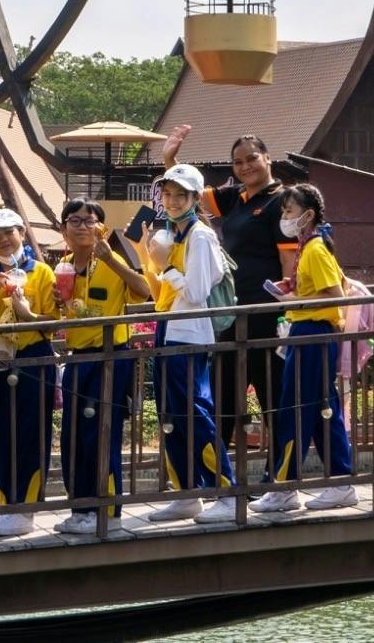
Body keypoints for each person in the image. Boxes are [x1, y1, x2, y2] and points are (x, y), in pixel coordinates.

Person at [159, 125, 288, 454]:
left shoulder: (281, 202)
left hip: (264, 311)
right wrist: (170, 157)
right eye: (238, 162)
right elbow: (186, 196)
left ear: (268, 158)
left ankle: (283, 481)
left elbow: (289, 262)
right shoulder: (237, 197)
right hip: (229, 312)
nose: (245, 166)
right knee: (224, 395)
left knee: (271, 394)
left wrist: (288, 308)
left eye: (252, 158)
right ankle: (222, 483)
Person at [48, 198, 152, 536]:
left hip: (111, 357)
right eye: (74, 220)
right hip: (78, 357)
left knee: (102, 434)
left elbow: (143, 291)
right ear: (63, 228)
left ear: (101, 228)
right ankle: (80, 507)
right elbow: (66, 315)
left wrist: (112, 260)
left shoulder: (111, 260)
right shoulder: (62, 267)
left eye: (89, 220)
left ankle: (107, 509)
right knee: (73, 436)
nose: (82, 226)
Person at [251, 185, 356, 515]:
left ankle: (285, 486)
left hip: (311, 332)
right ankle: (340, 481)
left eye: (289, 212)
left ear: (308, 215)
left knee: (295, 408)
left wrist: (295, 300)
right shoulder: (310, 247)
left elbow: (336, 293)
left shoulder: (314, 249)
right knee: (321, 409)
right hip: (308, 331)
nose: (285, 218)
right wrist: (293, 289)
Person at [142, 165, 237, 524]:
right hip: (170, 328)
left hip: (190, 333)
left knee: (194, 414)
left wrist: (165, 267)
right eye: (168, 194)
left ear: (196, 199)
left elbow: (197, 292)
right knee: (171, 415)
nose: (172, 201)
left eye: (181, 195)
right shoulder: (176, 233)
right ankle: (186, 492)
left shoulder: (199, 236)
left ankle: (224, 491)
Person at [0, 209, 58, 538]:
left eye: (8, 231)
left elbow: (52, 324)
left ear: (21, 231)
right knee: (2, 432)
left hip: (34, 355)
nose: (3, 239)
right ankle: (7, 505)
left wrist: (26, 313)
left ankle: (26, 508)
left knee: (33, 432)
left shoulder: (43, 272)